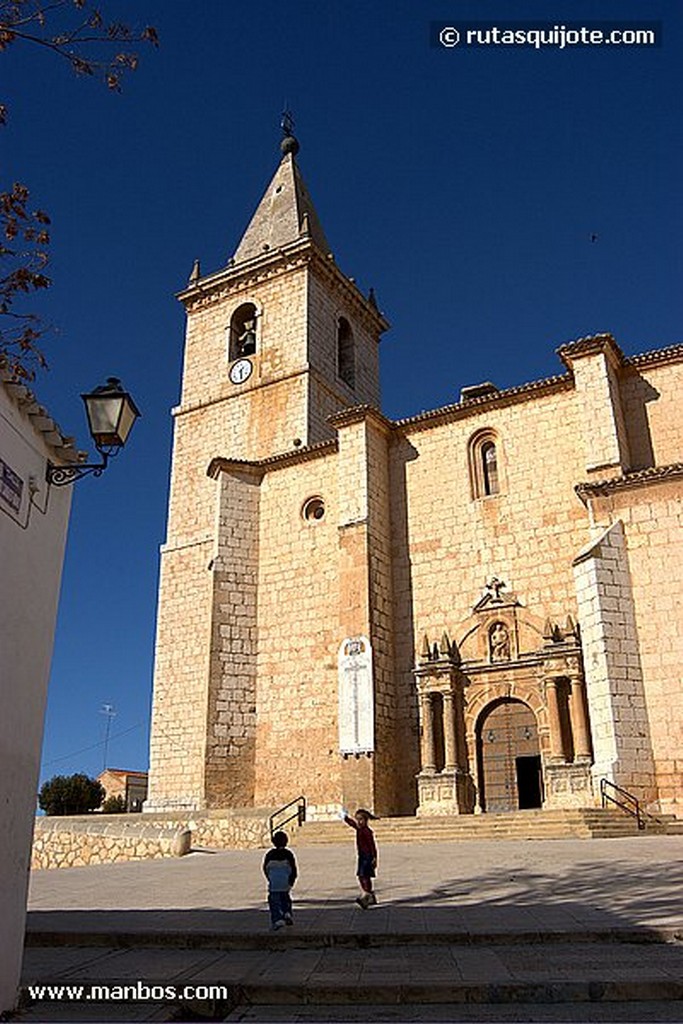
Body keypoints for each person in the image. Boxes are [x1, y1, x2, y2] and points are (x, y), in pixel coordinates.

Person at [341, 807, 378, 909]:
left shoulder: (367, 831)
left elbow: (372, 846)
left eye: (361, 819)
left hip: (367, 857)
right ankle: (370, 895)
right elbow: (352, 824)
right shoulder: (359, 829)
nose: (359, 822)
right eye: (357, 819)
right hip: (362, 856)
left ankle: (366, 896)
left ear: (366, 820)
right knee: (363, 876)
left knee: (363, 876)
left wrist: (374, 857)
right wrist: (345, 817)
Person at [263, 830, 297, 930]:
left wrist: (270, 879)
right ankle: (287, 913)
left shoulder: (270, 854)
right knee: (285, 898)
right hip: (285, 882)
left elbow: (265, 868)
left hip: (274, 883)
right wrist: (291, 881)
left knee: (274, 901)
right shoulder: (288, 854)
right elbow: (293, 869)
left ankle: (278, 919)